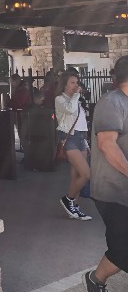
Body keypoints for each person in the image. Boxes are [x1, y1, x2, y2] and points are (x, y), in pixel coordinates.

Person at [83, 55, 128, 292]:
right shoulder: (112, 103)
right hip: (113, 191)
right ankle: (95, 280)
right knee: (123, 250)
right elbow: (107, 145)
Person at [55, 70, 92, 221]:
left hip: (80, 138)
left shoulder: (76, 100)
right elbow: (69, 110)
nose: (76, 85)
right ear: (64, 85)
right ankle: (68, 199)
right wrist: (76, 95)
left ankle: (74, 208)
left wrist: (86, 143)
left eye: (77, 82)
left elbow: (82, 123)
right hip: (69, 138)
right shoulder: (60, 99)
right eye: (72, 82)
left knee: (76, 175)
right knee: (86, 174)